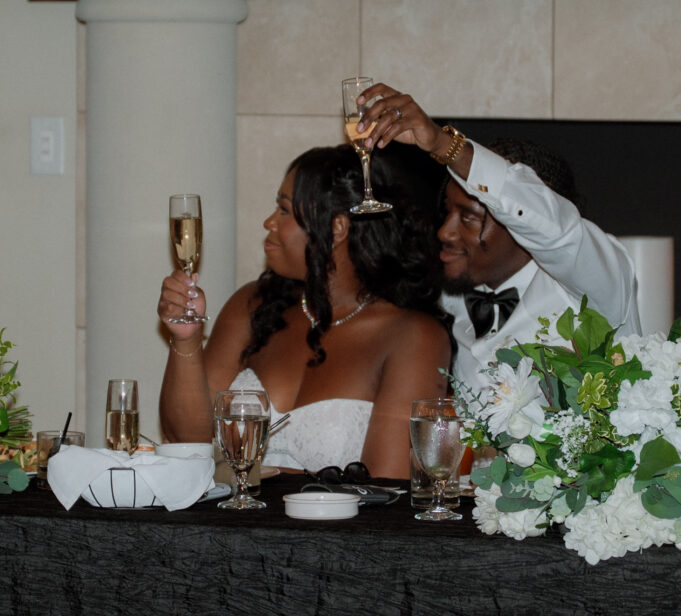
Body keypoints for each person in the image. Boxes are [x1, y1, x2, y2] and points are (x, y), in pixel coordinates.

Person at [157, 144, 452, 479]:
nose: (268, 222)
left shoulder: (413, 337)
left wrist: (248, 477)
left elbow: (386, 485)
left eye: (284, 211)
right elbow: (185, 443)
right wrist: (186, 340)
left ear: (337, 228)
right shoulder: (253, 305)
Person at [356, 83, 641, 396]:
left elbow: (555, 227)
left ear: (522, 225)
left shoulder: (596, 284)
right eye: (447, 212)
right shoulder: (451, 295)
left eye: (468, 218)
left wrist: (443, 144)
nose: (444, 232)